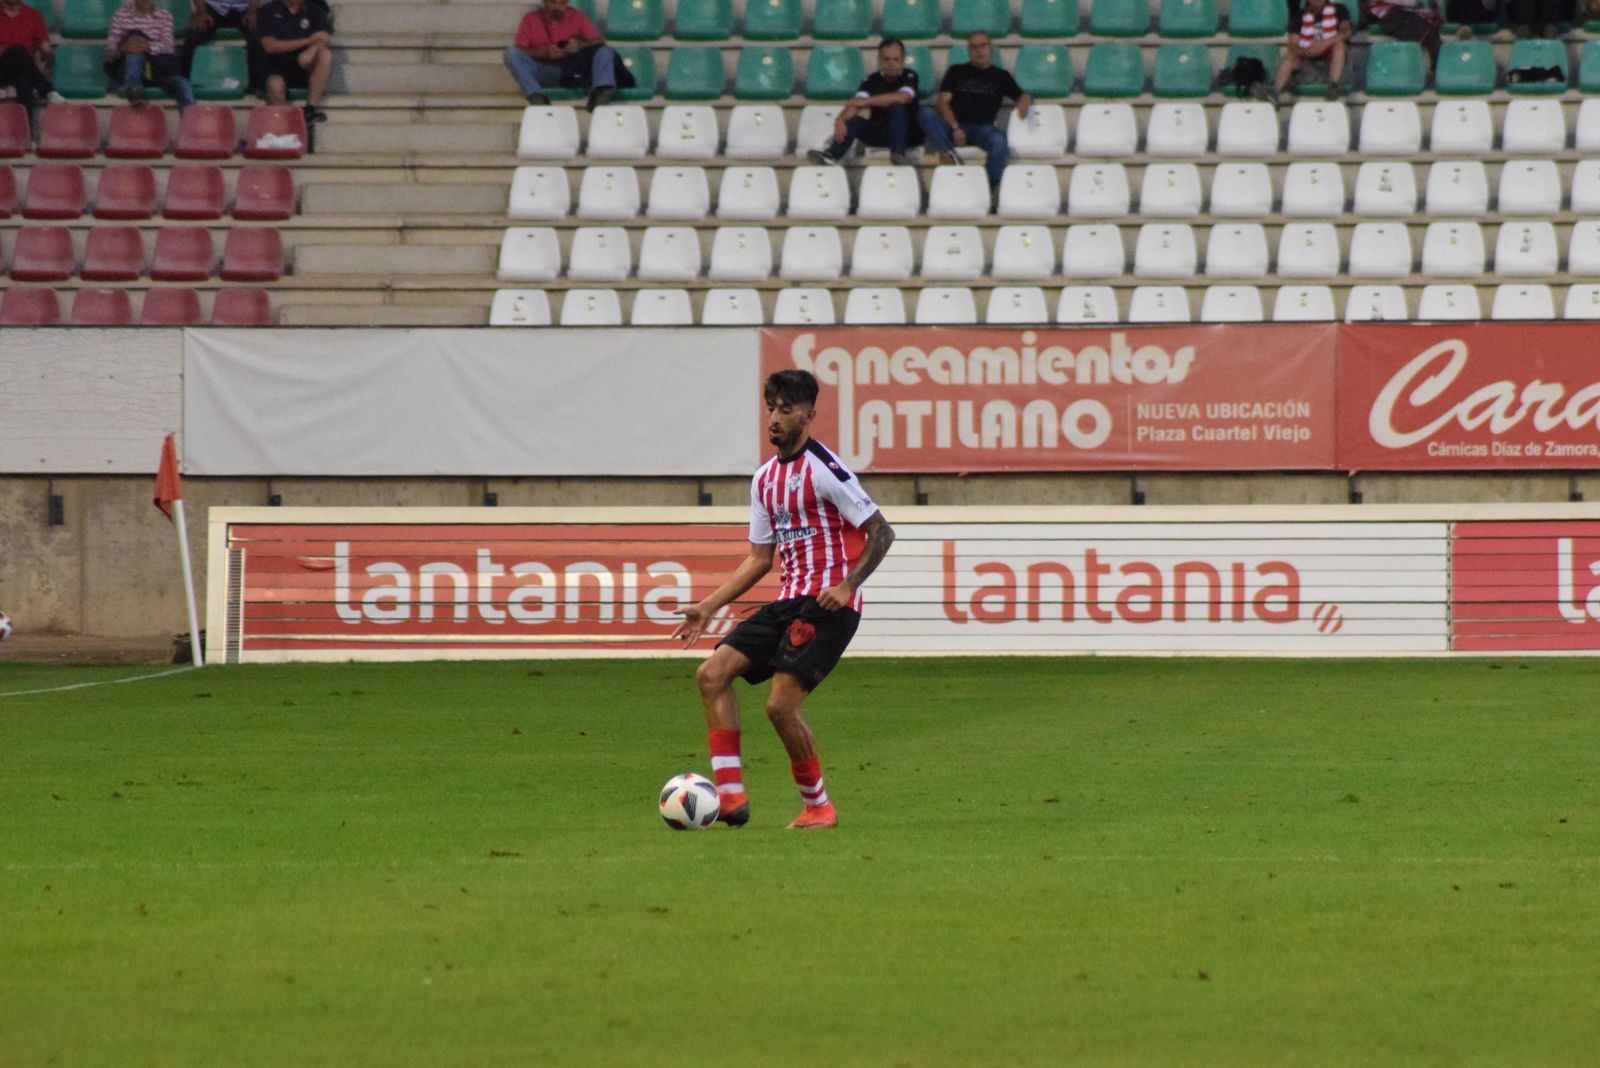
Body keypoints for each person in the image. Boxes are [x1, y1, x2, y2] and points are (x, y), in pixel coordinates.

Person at [672, 369, 896, 831]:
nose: (775, 418)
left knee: (779, 707)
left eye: (787, 410)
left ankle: (819, 808)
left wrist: (848, 585)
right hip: (785, 601)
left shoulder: (825, 469)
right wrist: (708, 605)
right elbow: (759, 559)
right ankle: (731, 800)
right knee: (711, 675)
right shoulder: (764, 480)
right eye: (771, 408)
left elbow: (882, 532)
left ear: (809, 416)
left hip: (827, 606)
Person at [917, 31, 1031, 189]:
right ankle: (949, 155)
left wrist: (1024, 105)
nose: (979, 51)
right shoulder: (956, 71)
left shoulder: (1001, 76)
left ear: (990, 48)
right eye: (974, 47)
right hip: (952, 126)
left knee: (999, 142)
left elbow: (1021, 96)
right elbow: (942, 103)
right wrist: (955, 127)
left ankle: (988, 187)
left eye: (982, 46)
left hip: (983, 128)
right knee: (924, 113)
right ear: (968, 51)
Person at [807, 38, 922, 167]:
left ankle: (898, 153)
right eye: (887, 59)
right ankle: (832, 155)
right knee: (853, 121)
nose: (891, 64)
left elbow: (903, 97)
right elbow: (856, 103)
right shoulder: (871, 80)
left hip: (907, 134)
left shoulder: (910, 76)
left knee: (897, 107)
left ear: (902, 60)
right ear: (879, 59)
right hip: (881, 132)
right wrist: (840, 119)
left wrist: (867, 101)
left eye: (896, 59)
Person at [504, 0, 624, 111]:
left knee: (605, 52)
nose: (557, 7)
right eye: (553, 2)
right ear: (544, 2)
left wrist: (579, 45)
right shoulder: (531, 19)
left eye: (562, 3)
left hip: (573, 72)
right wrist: (544, 52)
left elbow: (599, 41)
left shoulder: (576, 16)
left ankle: (601, 94)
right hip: (545, 72)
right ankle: (537, 97)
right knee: (511, 54)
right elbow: (520, 50)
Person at [106, 0, 195, 107]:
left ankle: (189, 121)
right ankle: (134, 86)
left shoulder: (164, 16)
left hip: (158, 69)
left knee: (183, 86)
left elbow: (168, 46)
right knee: (133, 40)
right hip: (129, 67)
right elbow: (111, 45)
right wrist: (123, 48)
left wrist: (148, 46)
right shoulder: (121, 15)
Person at [1260, 0, 1353, 102]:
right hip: (1309, 64)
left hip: (1332, 63)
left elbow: (1346, 32)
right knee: (1291, 55)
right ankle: (1274, 92)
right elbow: (1293, 45)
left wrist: (1324, 44)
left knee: (1339, 45)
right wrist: (1307, 51)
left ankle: (1334, 86)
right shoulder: (1299, 15)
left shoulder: (1339, 9)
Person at [258, 0, 331, 123]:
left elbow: (323, 37)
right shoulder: (268, 10)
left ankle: (310, 109)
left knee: (325, 55)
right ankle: (286, 124)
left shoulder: (314, 9)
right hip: (275, 66)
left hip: (302, 64)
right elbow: (270, 46)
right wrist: (307, 41)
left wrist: (312, 49)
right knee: (275, 85)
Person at [180, 0, 261, 93]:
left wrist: (252, 13)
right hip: (213, 8)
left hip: (244, 9)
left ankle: (255, 86)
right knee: (193, 37)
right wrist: (202, 13)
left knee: (258, 39)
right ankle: (184, 84)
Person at [0, 0, 54, 111]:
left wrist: (47, 55)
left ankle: (25, 127)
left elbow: (46, 51)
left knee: (24, 84)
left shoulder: (33, 15)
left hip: (23, 70)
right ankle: (44, 87)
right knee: (17, 51)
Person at [1360, 0, 1442, 69]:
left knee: (1431, 24)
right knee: (1418, 25)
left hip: (1406, 9)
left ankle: (1433, 67)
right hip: (1383, 9)